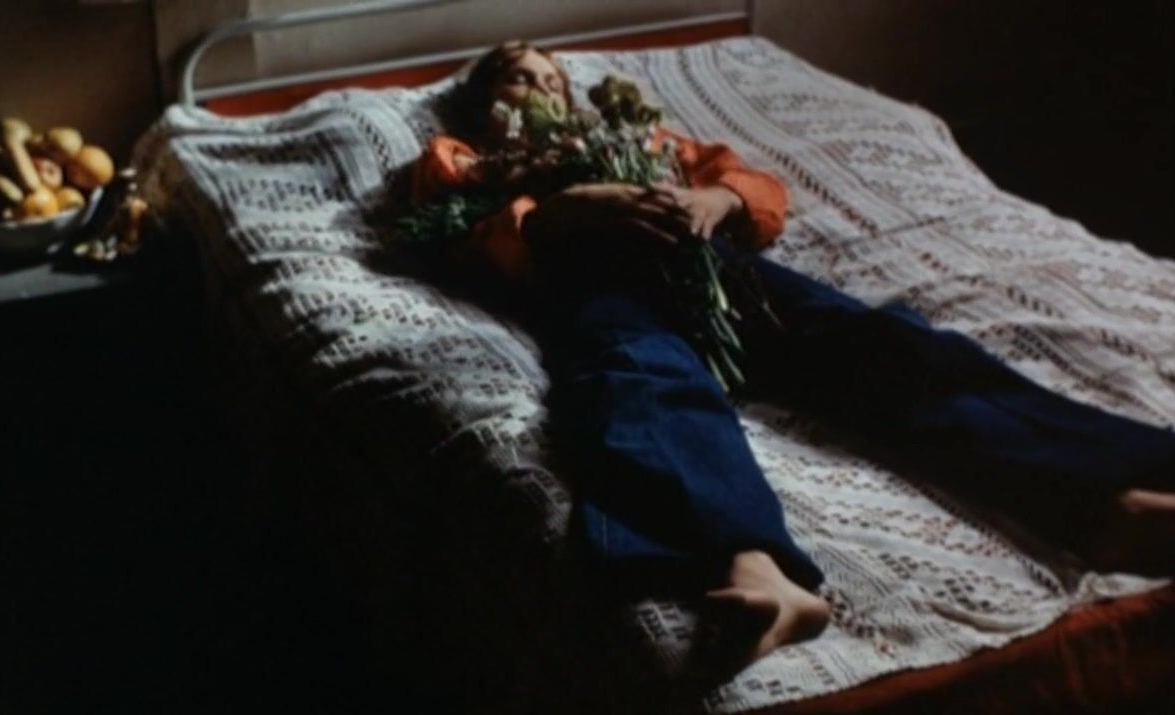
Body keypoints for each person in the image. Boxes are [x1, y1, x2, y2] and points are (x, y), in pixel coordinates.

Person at [411, 40, 1175, 665]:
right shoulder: (467, 158)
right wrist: (557, 212)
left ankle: (1107, 499)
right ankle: (757, 571)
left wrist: (718, 199)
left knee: (885, 347)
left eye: (550, 76)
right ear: (486, 99)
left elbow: (758, 191)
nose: (540, 87)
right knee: (639, 382)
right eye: (519, 78)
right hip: (600, 284)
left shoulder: (642, 138)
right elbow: (453, 238)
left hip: (715, 270)